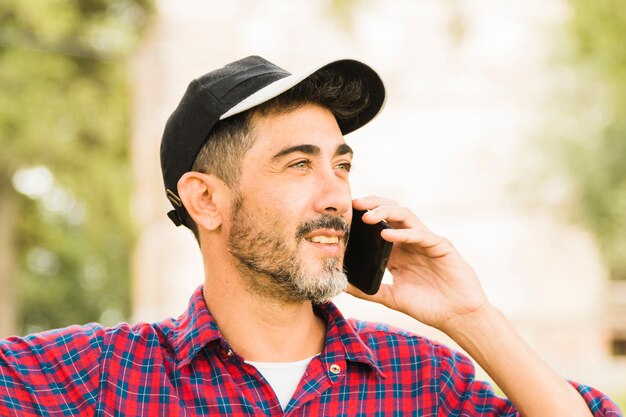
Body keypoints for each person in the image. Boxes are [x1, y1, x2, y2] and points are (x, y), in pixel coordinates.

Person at [0, 56, 622, 417]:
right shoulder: (97, 380)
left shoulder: (422, 380)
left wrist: (471, 316)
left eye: (341, 165)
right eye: (300, 164)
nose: (336, 195)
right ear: (206, 200)